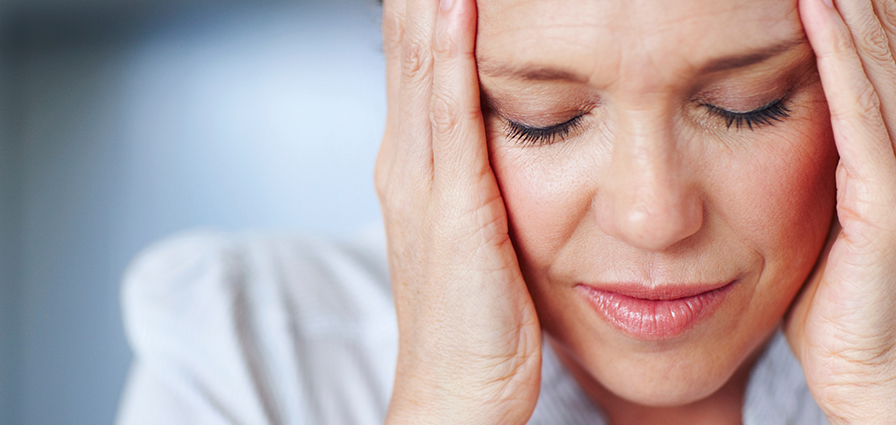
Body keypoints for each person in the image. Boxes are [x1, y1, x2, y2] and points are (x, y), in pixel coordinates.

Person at [115, 0, 896, 423]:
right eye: (543, 118)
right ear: (419, 89)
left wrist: (880, 388)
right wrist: (452, 404)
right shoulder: (250, 360)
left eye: (746, 107)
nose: (654, 216)